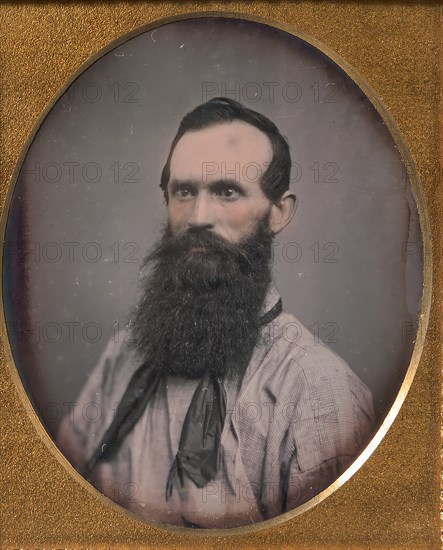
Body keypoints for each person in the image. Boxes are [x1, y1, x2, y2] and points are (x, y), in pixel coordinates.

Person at [57, 97, 374, 529]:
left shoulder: (317, 390)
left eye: (227, 192)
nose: (199, 216)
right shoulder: (125, 353)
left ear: (278, 212)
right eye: (184, 192)